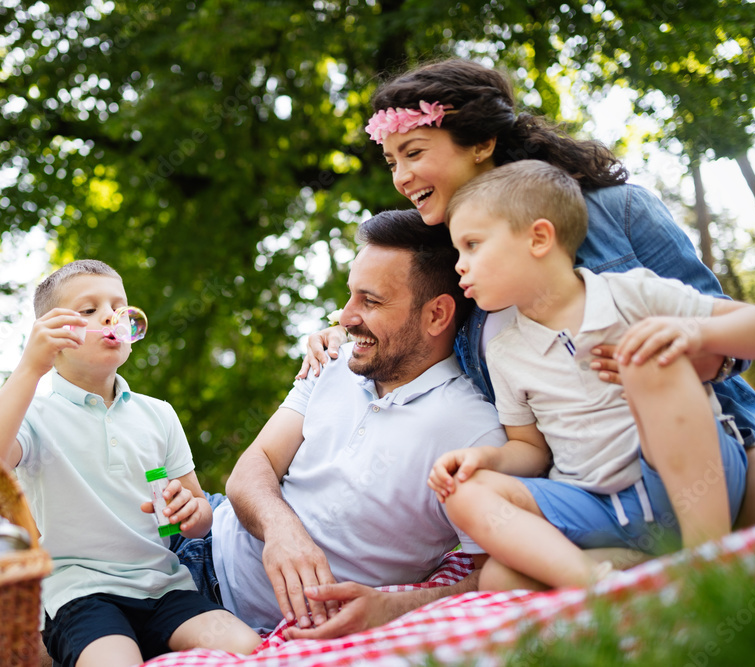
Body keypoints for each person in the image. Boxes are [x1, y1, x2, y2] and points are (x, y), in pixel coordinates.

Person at [300, 58, 755, 533]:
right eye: (392, 162)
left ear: (482, 143)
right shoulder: (453, 275)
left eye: (414, 153)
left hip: (712, 459)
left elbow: (731, 339)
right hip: (587, 497)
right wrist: (344, 335)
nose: (400, 178)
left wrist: (668, 356)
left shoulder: (618, 211)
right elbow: (412, 349)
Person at [173, 209, 508, 638]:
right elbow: (254, 466)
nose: (346, 318)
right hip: (200, 538)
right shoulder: (332, 363)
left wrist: (393, 607)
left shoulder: (473, 434)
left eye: (370, 301)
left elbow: (499, 573)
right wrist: (281, 530)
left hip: (239, 623)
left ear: (437, 315)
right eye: (350, 297)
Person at [428, 160, 755, 588]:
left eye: (472, 245)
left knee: (647, 358)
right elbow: (530, 449)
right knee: (488, 551)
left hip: (692, 485)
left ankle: (707, 564)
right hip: (597, 510)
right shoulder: (504, 351)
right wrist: (486, 460)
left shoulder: (631, 294)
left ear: (539, 238)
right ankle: (600, 581)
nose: (460, 265)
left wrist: (694, 333)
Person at [0, 260, 260, 667]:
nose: (110, 317)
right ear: (52, 335)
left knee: (248, 650)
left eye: (119, 308)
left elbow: (200, 517)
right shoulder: (32, 415)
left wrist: (191, 512)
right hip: (79, 593)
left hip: (165, 587)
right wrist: (30, 366)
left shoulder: (158, 414)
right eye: (89, 310)